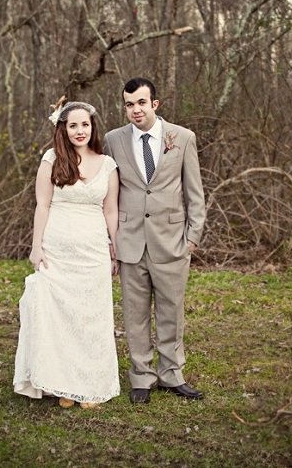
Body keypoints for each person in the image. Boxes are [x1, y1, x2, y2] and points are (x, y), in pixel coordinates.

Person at [103, 78, 206, 404]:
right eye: (129, 104)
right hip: (129, 240)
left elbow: (195, 194)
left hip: (172, 241)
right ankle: (142, 377)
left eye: (141, 103)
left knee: (171, 311)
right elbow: (109, 192)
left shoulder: (182, 138)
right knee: (134, 314)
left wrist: (192, 237)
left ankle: (172, 374)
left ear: (155, 104)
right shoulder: (113, 140)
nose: (135, 110)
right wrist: (110, 238)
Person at [13, 98, 120, 409]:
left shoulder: (107, 164)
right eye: (73, 125)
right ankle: (64, 384)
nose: (79, 130)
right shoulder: (51, 159)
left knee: (91, 317)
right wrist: (35, 247)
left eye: (84, 124)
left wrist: (115, 250)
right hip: (57, 250)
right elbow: (42, 205)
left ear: (92, 127)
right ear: (64, 128)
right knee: (59, 316)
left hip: (93, 251)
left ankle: (90, 385)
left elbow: (110, 210)